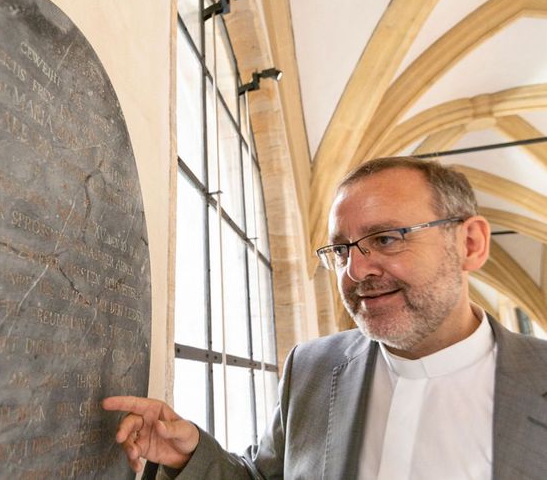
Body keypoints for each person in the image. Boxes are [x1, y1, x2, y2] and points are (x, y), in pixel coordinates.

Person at [102, 157, 547, 479]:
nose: (356, 271)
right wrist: (189, 455)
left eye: (388, 239)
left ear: (470, 243)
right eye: (340, 250)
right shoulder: (313, 368)